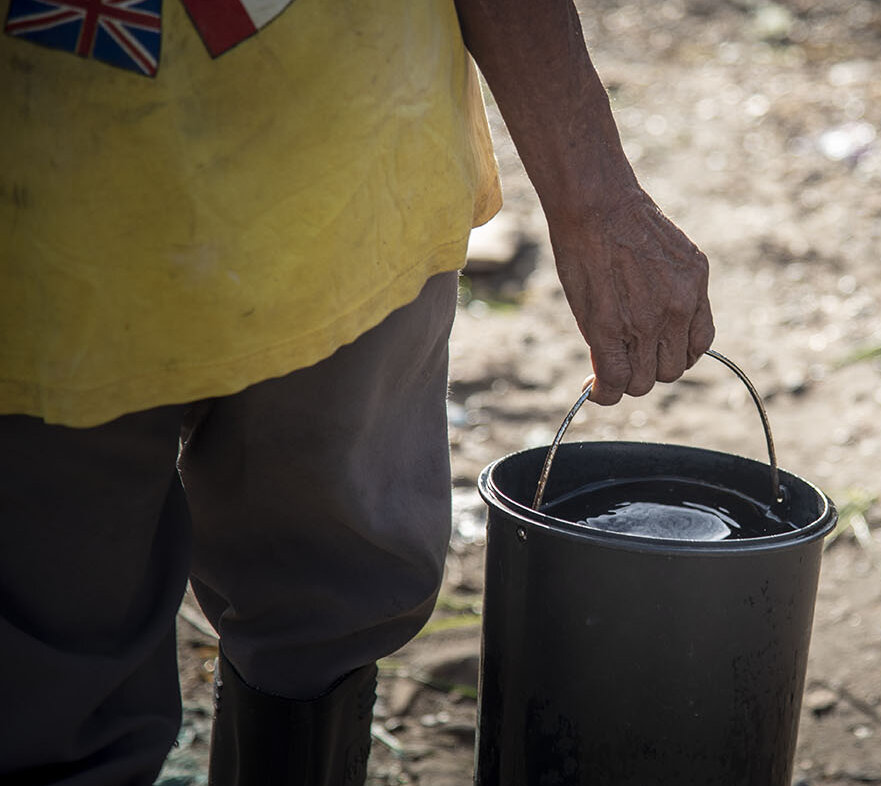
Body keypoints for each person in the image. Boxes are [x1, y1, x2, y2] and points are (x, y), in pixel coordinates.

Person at [0, 0, 713, 783]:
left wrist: (597, 198)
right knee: (54, 655)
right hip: (42, 206)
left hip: (339, 161)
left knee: (326, 589)